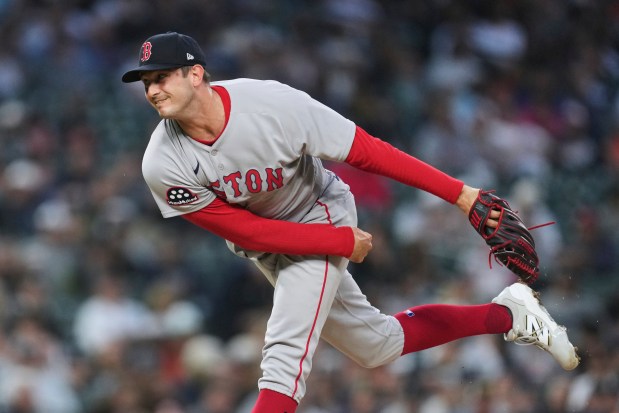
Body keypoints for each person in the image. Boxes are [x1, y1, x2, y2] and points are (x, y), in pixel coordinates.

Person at [121, 32, 579, 413]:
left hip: (316, 207)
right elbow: (244, 232)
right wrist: (337, 242)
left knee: (284, 355)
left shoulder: (271, 105)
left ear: (196, 73)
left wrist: (460, 194)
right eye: (146, 83)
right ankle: (509, 315)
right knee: (376, 346)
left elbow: (366, 150)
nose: (153, 90)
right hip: (278, 241)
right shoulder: (162, 163)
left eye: (161, 77)